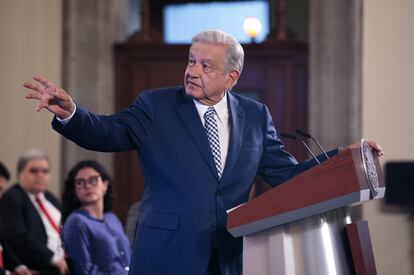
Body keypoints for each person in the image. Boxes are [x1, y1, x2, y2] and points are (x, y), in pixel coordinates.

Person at [23, 29, 383, 275]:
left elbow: (287, 176)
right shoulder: (156, 106)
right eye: (191, 61)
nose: (193, 71)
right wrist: (72, 112)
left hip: (229, 256)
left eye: (205, 66)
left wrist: (342, 159)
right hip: (166, 254)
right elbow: (106, 132)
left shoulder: (256, 117)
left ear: (232, 77)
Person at [0, 149, 67, 275]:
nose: (40, 175)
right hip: (41, 266)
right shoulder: (12, 197)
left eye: (45, 171)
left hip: (65, 261)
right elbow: (19, 236)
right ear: (20, 174)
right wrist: (54, 259)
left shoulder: (50, 198)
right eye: (34, 171)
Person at [61, 160, 131, 274]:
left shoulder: (113, 218)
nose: (87, 186)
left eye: (93, 180)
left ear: (105, 185)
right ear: (74, 190)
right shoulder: (76, 222)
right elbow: (84, 270)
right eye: (80, 182)